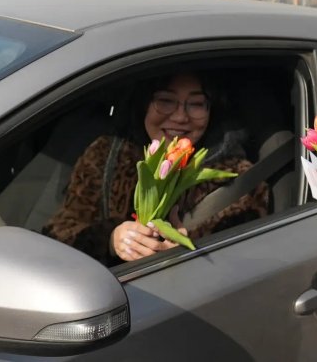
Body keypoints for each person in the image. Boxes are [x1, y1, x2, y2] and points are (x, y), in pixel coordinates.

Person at [44, 70, 269, 266]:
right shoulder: (105, 157)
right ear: (143, 104)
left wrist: (190, 256)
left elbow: (248, 266)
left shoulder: (237, 181)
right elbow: (59, 236)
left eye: (197, 104)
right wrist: (111, 240)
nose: (180, 117)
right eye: (165, 101)